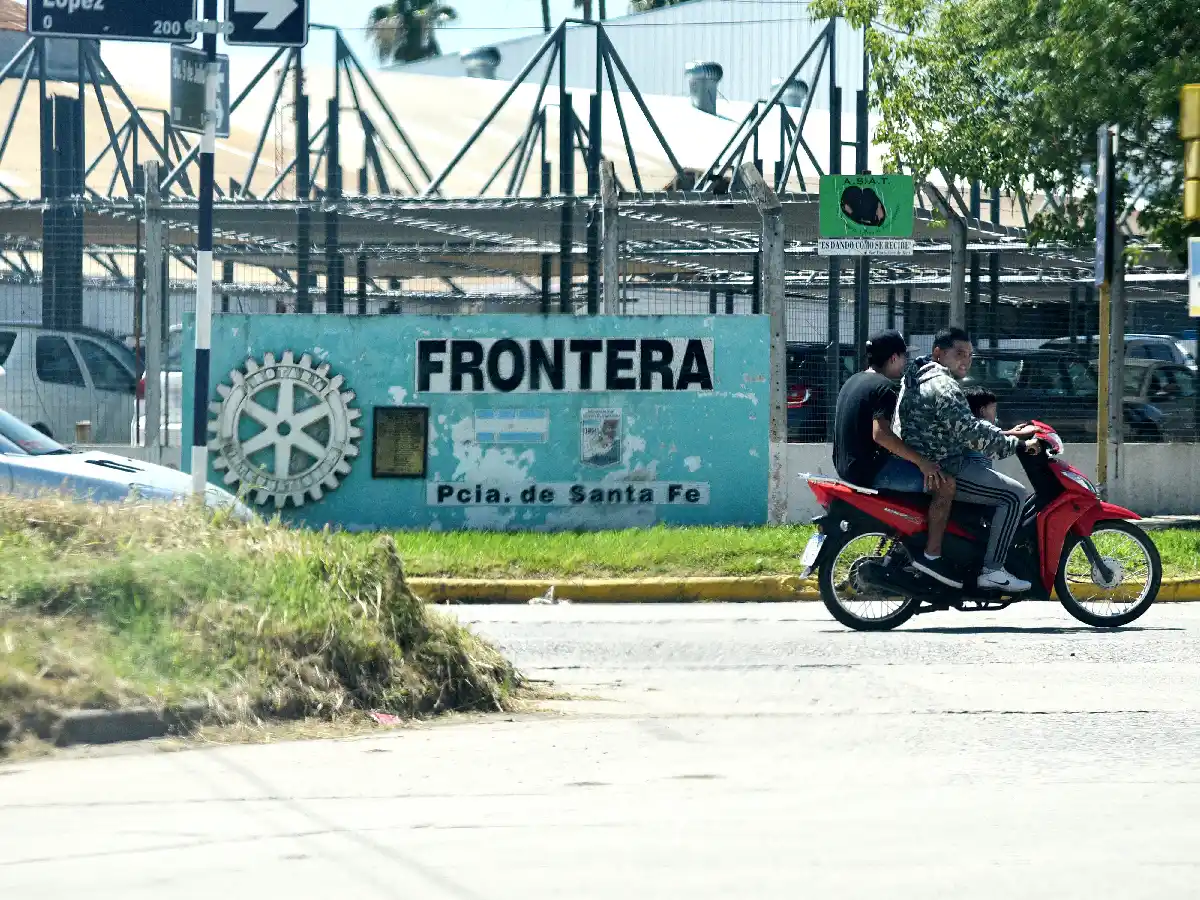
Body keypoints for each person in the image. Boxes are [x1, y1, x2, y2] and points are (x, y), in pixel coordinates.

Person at [895, 327, 1041, 593]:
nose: (966, 360)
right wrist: (1017, 445)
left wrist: (1003, 433)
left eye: (970, 355)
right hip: (947, 465)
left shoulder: (916, 377)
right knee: (1014, 495)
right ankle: (993, 570)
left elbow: (960, 424)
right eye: (959, 353)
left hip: (926, 460)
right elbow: (971, 433)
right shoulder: (945, 386)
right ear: (938, 353)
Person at [833, 329, 961, 588]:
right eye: (904, 358)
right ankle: (932, 555)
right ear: (893, 358)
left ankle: (907, 545)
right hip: (872, 469)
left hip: (847, 467)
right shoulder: (884, 388)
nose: (906, 364)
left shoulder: (853, 381)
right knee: (944, 483)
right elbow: (881, 435)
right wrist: (921, 461)